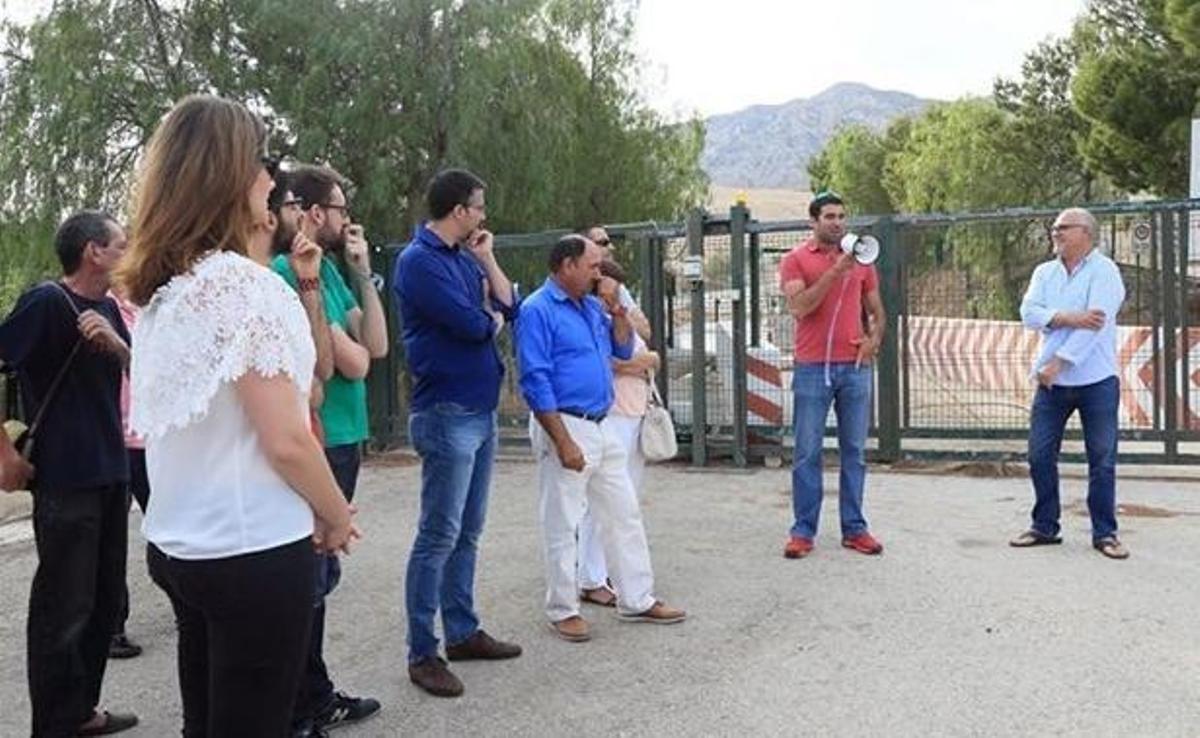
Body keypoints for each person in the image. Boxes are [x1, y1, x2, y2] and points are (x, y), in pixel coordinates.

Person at [119, 93, 358, 738]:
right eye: (257, 163)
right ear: (224, 176)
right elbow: (287, 440)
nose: (268, 179)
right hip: (251, 551)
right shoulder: (246, 289)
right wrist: (336, 513)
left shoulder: (165, 293)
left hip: (181, 544)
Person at [0, 209, 138, 737]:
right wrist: (5, 454)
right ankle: (53, 725)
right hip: (65, 477)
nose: (128, 252)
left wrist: (117, 345)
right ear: (92, 252)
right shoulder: (46, 303)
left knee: (103, 602)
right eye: (121, 245)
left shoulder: (109, 306)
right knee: (64, 606)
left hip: (111, 470)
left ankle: (81, 711)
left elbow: (139, 370)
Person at [516, 234, 686, 643]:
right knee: (563, 519)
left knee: (623, 511)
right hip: (566, 422)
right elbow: (535, 378)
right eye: (592, 266)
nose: (599, 273)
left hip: (601, 422)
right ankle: (563, 608)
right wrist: (563, 441)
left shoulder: (592, 307)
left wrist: (617, 309)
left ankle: (636, 597)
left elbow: (622, 348)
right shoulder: (538, 310)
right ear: (567, 266)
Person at [393, 168, 522, 698]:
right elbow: (473, 324)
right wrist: (487, 317)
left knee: (468, 530)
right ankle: (423, 652)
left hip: (478, 409)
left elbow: (509, 306)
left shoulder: (463, 258)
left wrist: (487, 261)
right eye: (479, 206)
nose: (484, 215)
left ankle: (463, 631)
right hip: (447, 412)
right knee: (438, 535)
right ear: (459, 210)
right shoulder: (418, 261)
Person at [273, 164, 382, 734]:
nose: (347, 218)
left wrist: (362, 272)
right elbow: (341, 365)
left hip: (346, 433)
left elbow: (376, 347)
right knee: (309, 575)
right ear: (315, 213)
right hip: (322, 435)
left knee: (320, 576)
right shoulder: (285, 273)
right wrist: (345, 343)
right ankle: (300, 706)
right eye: (340, 208)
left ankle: (313, 694)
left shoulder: (334, 272)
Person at [1011, 207, 1128, 559]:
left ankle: (1105, 533)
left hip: (1096, 381)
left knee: (1102, 459)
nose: (1055, 232)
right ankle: (1045, 526)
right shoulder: (1044, 272)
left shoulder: (1105, 272)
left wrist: (1059, 361)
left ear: (1086, 233)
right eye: (1054, 227)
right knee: (1039, 455)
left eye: (1063, 227)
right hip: (1051, 384)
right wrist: (1068, 317)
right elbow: (1028, 314)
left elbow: (1096, 327)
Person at [779, 191, 886, 559]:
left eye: (841, 216)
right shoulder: (795, 260)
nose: (837, 222)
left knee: (854, 452)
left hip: (854, 369)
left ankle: (855, 528)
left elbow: (877, 311)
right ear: (814, 221)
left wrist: (873, 341)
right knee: (807, 452)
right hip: (812, 368)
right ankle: (802, 531)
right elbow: (800, 307)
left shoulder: (863, 260)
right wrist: (835, 271)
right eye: (829, 216)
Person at [577, 259, 660, 608]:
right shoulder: (591, 316)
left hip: (634, 408)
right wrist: (642, 363)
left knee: (626, 497)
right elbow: (609, 359)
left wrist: (646, 359)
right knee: (604, 499)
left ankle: (610, 569)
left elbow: (647, 343)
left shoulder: (618, 312)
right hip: (612, 411)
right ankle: (590, 575)